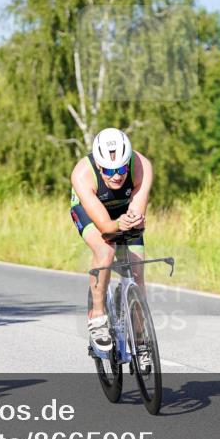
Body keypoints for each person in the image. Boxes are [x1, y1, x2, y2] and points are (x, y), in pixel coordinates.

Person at [69, 128, 153, 359]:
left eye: (121, 169)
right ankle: (97, 316)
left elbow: (136, 210)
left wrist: (133, 219)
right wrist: (117, 226)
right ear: (98, 166)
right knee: (105, 252)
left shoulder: (141, 166)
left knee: (137, 273)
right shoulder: (81, 174)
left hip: (124, 207)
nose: (116, 176)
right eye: (108, 170)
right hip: (92, 211)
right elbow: (106, 227)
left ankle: (140, 339)